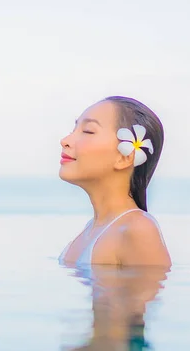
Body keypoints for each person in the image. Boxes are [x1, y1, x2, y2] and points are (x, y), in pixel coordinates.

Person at [58, 96, 171, 267]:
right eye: (74, 129)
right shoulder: (94, 229)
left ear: (125, 157)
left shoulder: (137, 230)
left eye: (88, 131)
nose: (65, 141)